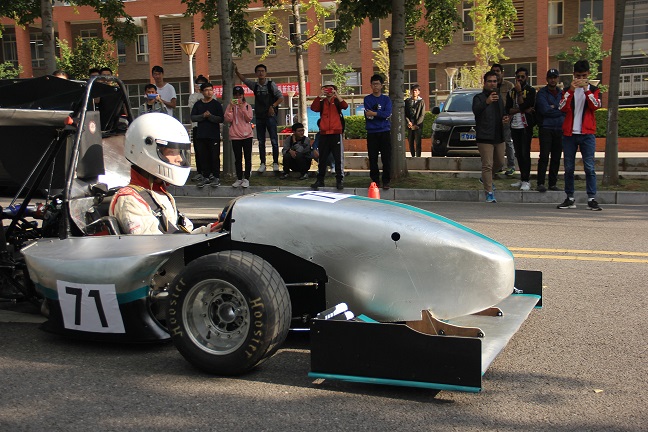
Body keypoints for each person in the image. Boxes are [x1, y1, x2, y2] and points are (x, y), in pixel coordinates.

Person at [110, 113, 221, 235]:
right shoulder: (130, 200)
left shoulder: (161, 194)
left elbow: (184, 236)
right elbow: (154, 244)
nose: (179, 159)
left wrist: (211, 229)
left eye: (179, 152)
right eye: (172, 152)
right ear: (146, 151)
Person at [557, 60, 602, 211]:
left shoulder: (594, 90)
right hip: (569, 134)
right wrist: (571, 90)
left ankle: (591, 198)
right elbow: (562, 107)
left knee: (589, 167)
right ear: (573, 75)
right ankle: (570, 198)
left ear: (588, 74)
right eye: (578, 76)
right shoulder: (567, 90)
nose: (581, 79)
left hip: (587, 134)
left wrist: (587, 90)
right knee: (569, 167)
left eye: (584, 76)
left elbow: (595, 106)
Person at [234, 63, 284, 173]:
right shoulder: (254, 86)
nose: (261, 73)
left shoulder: (271, 85)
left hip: (270, 116)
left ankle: (275, 163)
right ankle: (262, 163)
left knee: (274, 140)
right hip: (260, 116)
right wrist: (236, 72)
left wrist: (273, 106)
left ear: (266, 73)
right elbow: (244, 80)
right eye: (259, 71)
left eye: (263, 71)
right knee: (261, 141)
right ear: (256, 73)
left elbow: (280, 97)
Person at [473, 71, 510, 203]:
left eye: (495, 81)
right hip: (484, 136)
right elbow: (476, 111)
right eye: (490, 81)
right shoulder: (479, 98)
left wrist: (505, 118)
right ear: (485, 83)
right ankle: (489, 192)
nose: (492, 84)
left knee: (500, 163)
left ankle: (485, 178)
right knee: (487, 165)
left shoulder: (498, 98)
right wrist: (487, 102)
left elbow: (503, 113)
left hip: (498, 135)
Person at [310, 81, 348, 190]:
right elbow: (313, 108)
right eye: (326, 89)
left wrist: (336, 94)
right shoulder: (322, 102)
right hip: (324, 134)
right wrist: (319, 95)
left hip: (336, 133)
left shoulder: (337, 101)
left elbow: (345, 106)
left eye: (331, 88)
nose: (329, 91)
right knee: (322, 158)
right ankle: (320, 180)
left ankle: (339, 180)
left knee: (338, 158)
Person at [506, 67, 536, 191]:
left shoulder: (531, 91)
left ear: (527, 77)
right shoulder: (511, 92)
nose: (520, 79)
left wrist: (519, 93)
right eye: (518, 77)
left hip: (525, 126)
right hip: (514, 126)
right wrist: (521, 109)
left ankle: (526, 180)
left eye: (522, 77)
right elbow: (508, 109)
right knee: (518, 153)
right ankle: (522, 177)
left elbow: (527, 105)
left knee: (525, 153)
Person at [535, 68, 565, 193]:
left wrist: (554, 108)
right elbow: (545, 110)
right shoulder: (542, 93)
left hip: (559, 128)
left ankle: (552, 183)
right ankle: (540, 183)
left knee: (556, 157)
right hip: (546, 128)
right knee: (544, 156)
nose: (553, 80)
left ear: (558, 78)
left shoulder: (562, 93)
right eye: (550, 78)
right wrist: (558, 109)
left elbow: (566, 109)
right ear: (547, 79)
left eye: (555, 77)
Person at [190, 82, 224, 188]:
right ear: (202, 92)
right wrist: (203, 116)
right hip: (201, 134)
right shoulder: (198, 104)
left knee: (214, 156)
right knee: (203, 157)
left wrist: (210, 116)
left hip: (213, 135)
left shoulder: (216, 104)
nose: (209, 92)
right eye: (206, 90)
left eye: (210, 90)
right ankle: (205, 177)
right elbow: (193, 117)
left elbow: (221, 118)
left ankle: (216, 177)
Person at [364, 74, 393, 190]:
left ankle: (386, 181)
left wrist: (375, 113)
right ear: (371, 85)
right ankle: (375, 181)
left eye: (377, 84)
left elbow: (387, 114)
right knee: (373, 158)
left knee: (386, 158)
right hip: (372, 132)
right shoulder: (367, 99)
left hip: (384, 131)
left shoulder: (386, 99)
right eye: (373, 84)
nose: (375, 86)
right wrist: (378, 115)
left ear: (381, 86)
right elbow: (368, 115)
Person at [224, 85, 254, 188]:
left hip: (247, 135)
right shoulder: (231, 106)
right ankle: (239, 178)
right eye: (236, 95)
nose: (238, 97)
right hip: (235, 135)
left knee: (247, 158)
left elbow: (249, 118)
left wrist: (242, 108)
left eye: (240, 95)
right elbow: (228, 119)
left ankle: (247, 178)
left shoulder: (247, 106)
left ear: (243, 95)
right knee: (237, 158)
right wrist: (230, 107)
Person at [490, 63, 516, 176]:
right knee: (495, 143)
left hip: (506, 117)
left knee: (508, 141)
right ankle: (498, 166)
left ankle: (511, 166)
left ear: (502, 73)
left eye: (498, 71)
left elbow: (514, 103)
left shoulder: (509, 86)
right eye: (494, 71)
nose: (496, 73)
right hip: (493, 119)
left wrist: (510, 116)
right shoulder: (490, 86)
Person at [188, 75, 210, 182]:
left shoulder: (212, 96)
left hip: (208, 126)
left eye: (202, 83)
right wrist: (198, 95)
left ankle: (210, 172)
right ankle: (200, 172)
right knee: (198, 150)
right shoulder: (193, 96)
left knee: (209, 151)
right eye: (198, 84)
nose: (200, 85)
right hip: (196, 126)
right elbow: (193, 108)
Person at [405, 83, 425, 157]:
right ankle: (412, 156)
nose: (414, 92)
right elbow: (405, 113)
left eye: (416, 90)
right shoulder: (407, 101)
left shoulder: (421, 101)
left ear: (419, 92)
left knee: (418, 143)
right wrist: (408, 122)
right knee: (410, 142)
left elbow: (422, 115)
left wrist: (417, 125)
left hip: (418, 126)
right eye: (413, 90)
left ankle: (418, 157)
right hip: (410, 125)